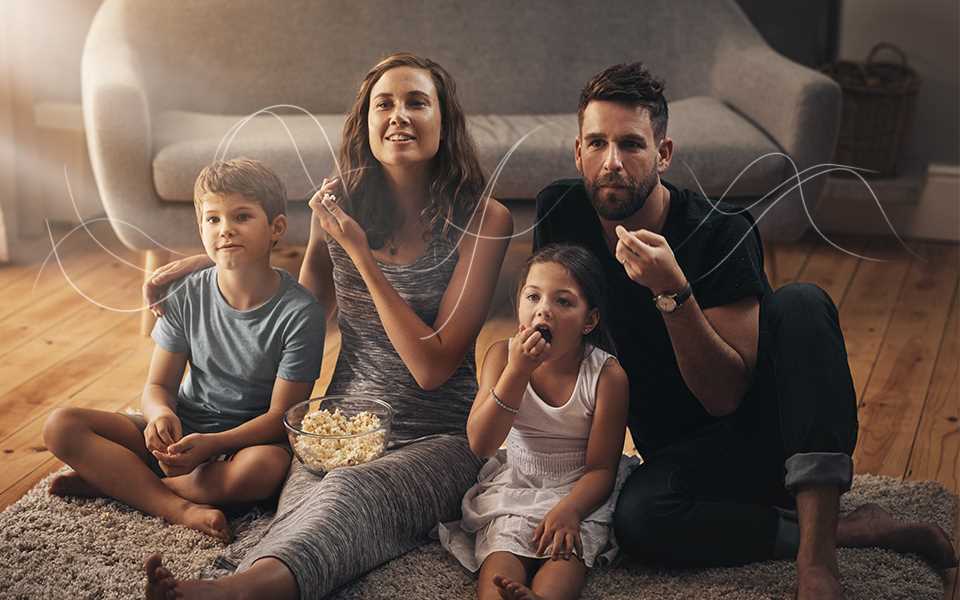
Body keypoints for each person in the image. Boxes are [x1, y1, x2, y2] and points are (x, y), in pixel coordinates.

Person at [533, 62, 957, 600]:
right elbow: (560, 355)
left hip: (768, 439)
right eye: (596, 143)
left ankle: (818, 559)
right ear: (577, 152)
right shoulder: (561, 212)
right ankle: (850, 527)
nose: (611, 163)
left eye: (631, 145)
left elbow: (724, 396)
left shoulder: (721, 230)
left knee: (802, 302)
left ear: (663, 154)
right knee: (639, 521)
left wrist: (673, 293)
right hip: (678, 454)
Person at [143, 53, 513, 600]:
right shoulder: (337, 202)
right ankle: (246, 581)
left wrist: (363, 258)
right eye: (383, 104)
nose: (399, 116)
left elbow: (433, 366)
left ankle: (229, 594)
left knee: (350, 493)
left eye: (417, 102)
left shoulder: (485, 219)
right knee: (305, 503)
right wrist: (213, 259)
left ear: (445, 121)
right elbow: (301, 304)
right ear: (365, 123)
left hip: (439, 432)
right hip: (339, 428)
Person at [42, 158, 325, 542]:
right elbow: (158, 386)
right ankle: (171, 500)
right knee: (61, 425)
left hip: (241, 445)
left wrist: (216, 443)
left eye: (241, 216)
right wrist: (159, 417)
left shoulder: (300, 313)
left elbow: (280, 417)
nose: (225, 230)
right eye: (213, 219)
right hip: (181, 433)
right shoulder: (188, 293)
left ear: (276, 228)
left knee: (268, 468)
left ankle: (128, 486)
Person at [439, 243, 636, 600]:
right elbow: (481, 443)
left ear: (589, 320)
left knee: (564, 560)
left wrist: (569, 510)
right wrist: (517, 372)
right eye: (533, 297)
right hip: (518, 484)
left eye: (562, 301)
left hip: (578, 491)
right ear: (519, 307)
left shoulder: (607, 376)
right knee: (499, 563)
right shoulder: (502, 356)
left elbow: (601, 469)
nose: (543, 310)